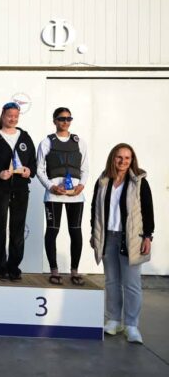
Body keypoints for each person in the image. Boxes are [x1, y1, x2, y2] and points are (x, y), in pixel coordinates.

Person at [90, 143, 154, 344]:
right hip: (108, 237)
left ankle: (132, 325)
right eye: (119, 157)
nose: (123, 161)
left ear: (132, 160)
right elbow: (94, 208)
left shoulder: (139, 182)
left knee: (132, 284)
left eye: (127, 158)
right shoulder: (103, 181)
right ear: (113, 158)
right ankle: (114, 320)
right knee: (111, 281)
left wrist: (148, 236)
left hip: (131, 239)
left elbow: (148, 210)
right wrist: (94, 233)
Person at [0, 102, 36, 280]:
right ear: (3, 116)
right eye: (9, 116)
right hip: (0, 189)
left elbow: (33, 163)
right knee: (0, 227)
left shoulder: (25, 137)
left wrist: (29, 171)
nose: (12, 119)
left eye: (15, 116)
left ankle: (14, 266)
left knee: (17, 229)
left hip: (21, 189)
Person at [36, 107, 89, 285]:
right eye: (61, 118)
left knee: (75, 231)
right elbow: (39, 169)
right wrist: (51, 187)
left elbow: (85, 168)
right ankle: (54, 271)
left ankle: (75, 271)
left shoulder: (79, 142)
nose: (65, 122)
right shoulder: (46, 142)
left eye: (68, 119)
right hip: (54, 195)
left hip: (75, 195)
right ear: (55, 121)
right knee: (53, 230)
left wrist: (81, 185)